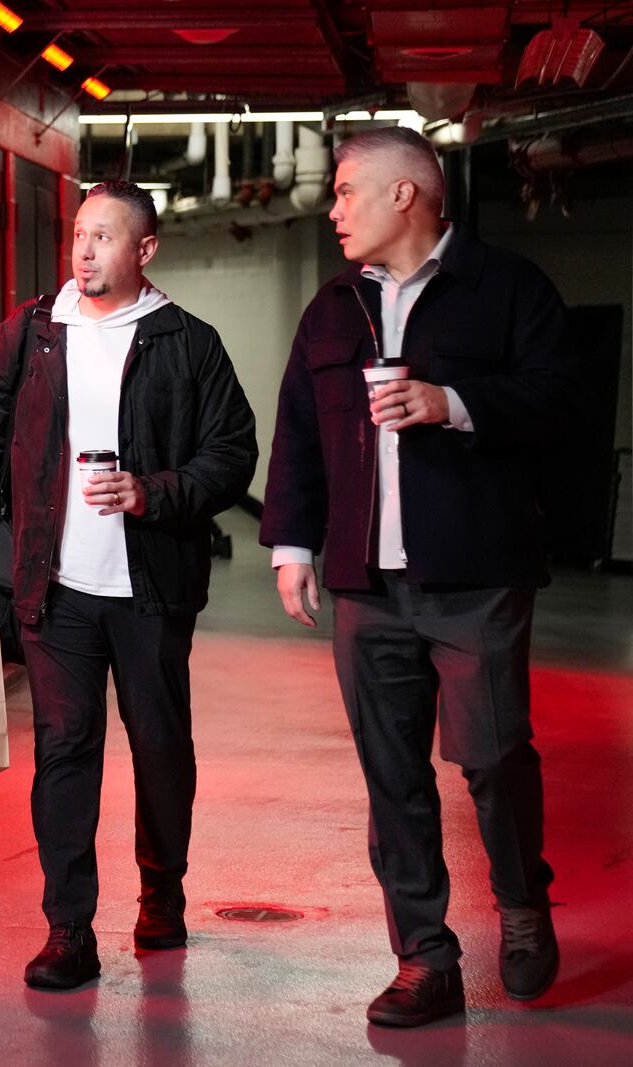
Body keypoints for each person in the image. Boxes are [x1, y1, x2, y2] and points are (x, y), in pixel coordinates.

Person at [261, 127, 579, 1028]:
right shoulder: (332, 307)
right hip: (368, 583)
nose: (333, 208)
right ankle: (423, 957)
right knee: (391, 773)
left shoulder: (506, 290)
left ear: (408, 194)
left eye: (347, 190)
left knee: (491, 756)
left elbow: (566, 402)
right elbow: (298, 431)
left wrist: (453, 403)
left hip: (476, 577)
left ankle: (520, 905)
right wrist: (291, 544)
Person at [0, 181, 257, 990]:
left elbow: (232, 455)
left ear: (144, 250)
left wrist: (152, 491)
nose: (84, 252)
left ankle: (162, 889)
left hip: (150, 588)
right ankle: (68, 926)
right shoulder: (32, 332)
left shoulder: (187, 341)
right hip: (57, 587)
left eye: (105, 237)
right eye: (79, 235)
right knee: (65, 749)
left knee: (159, 746)